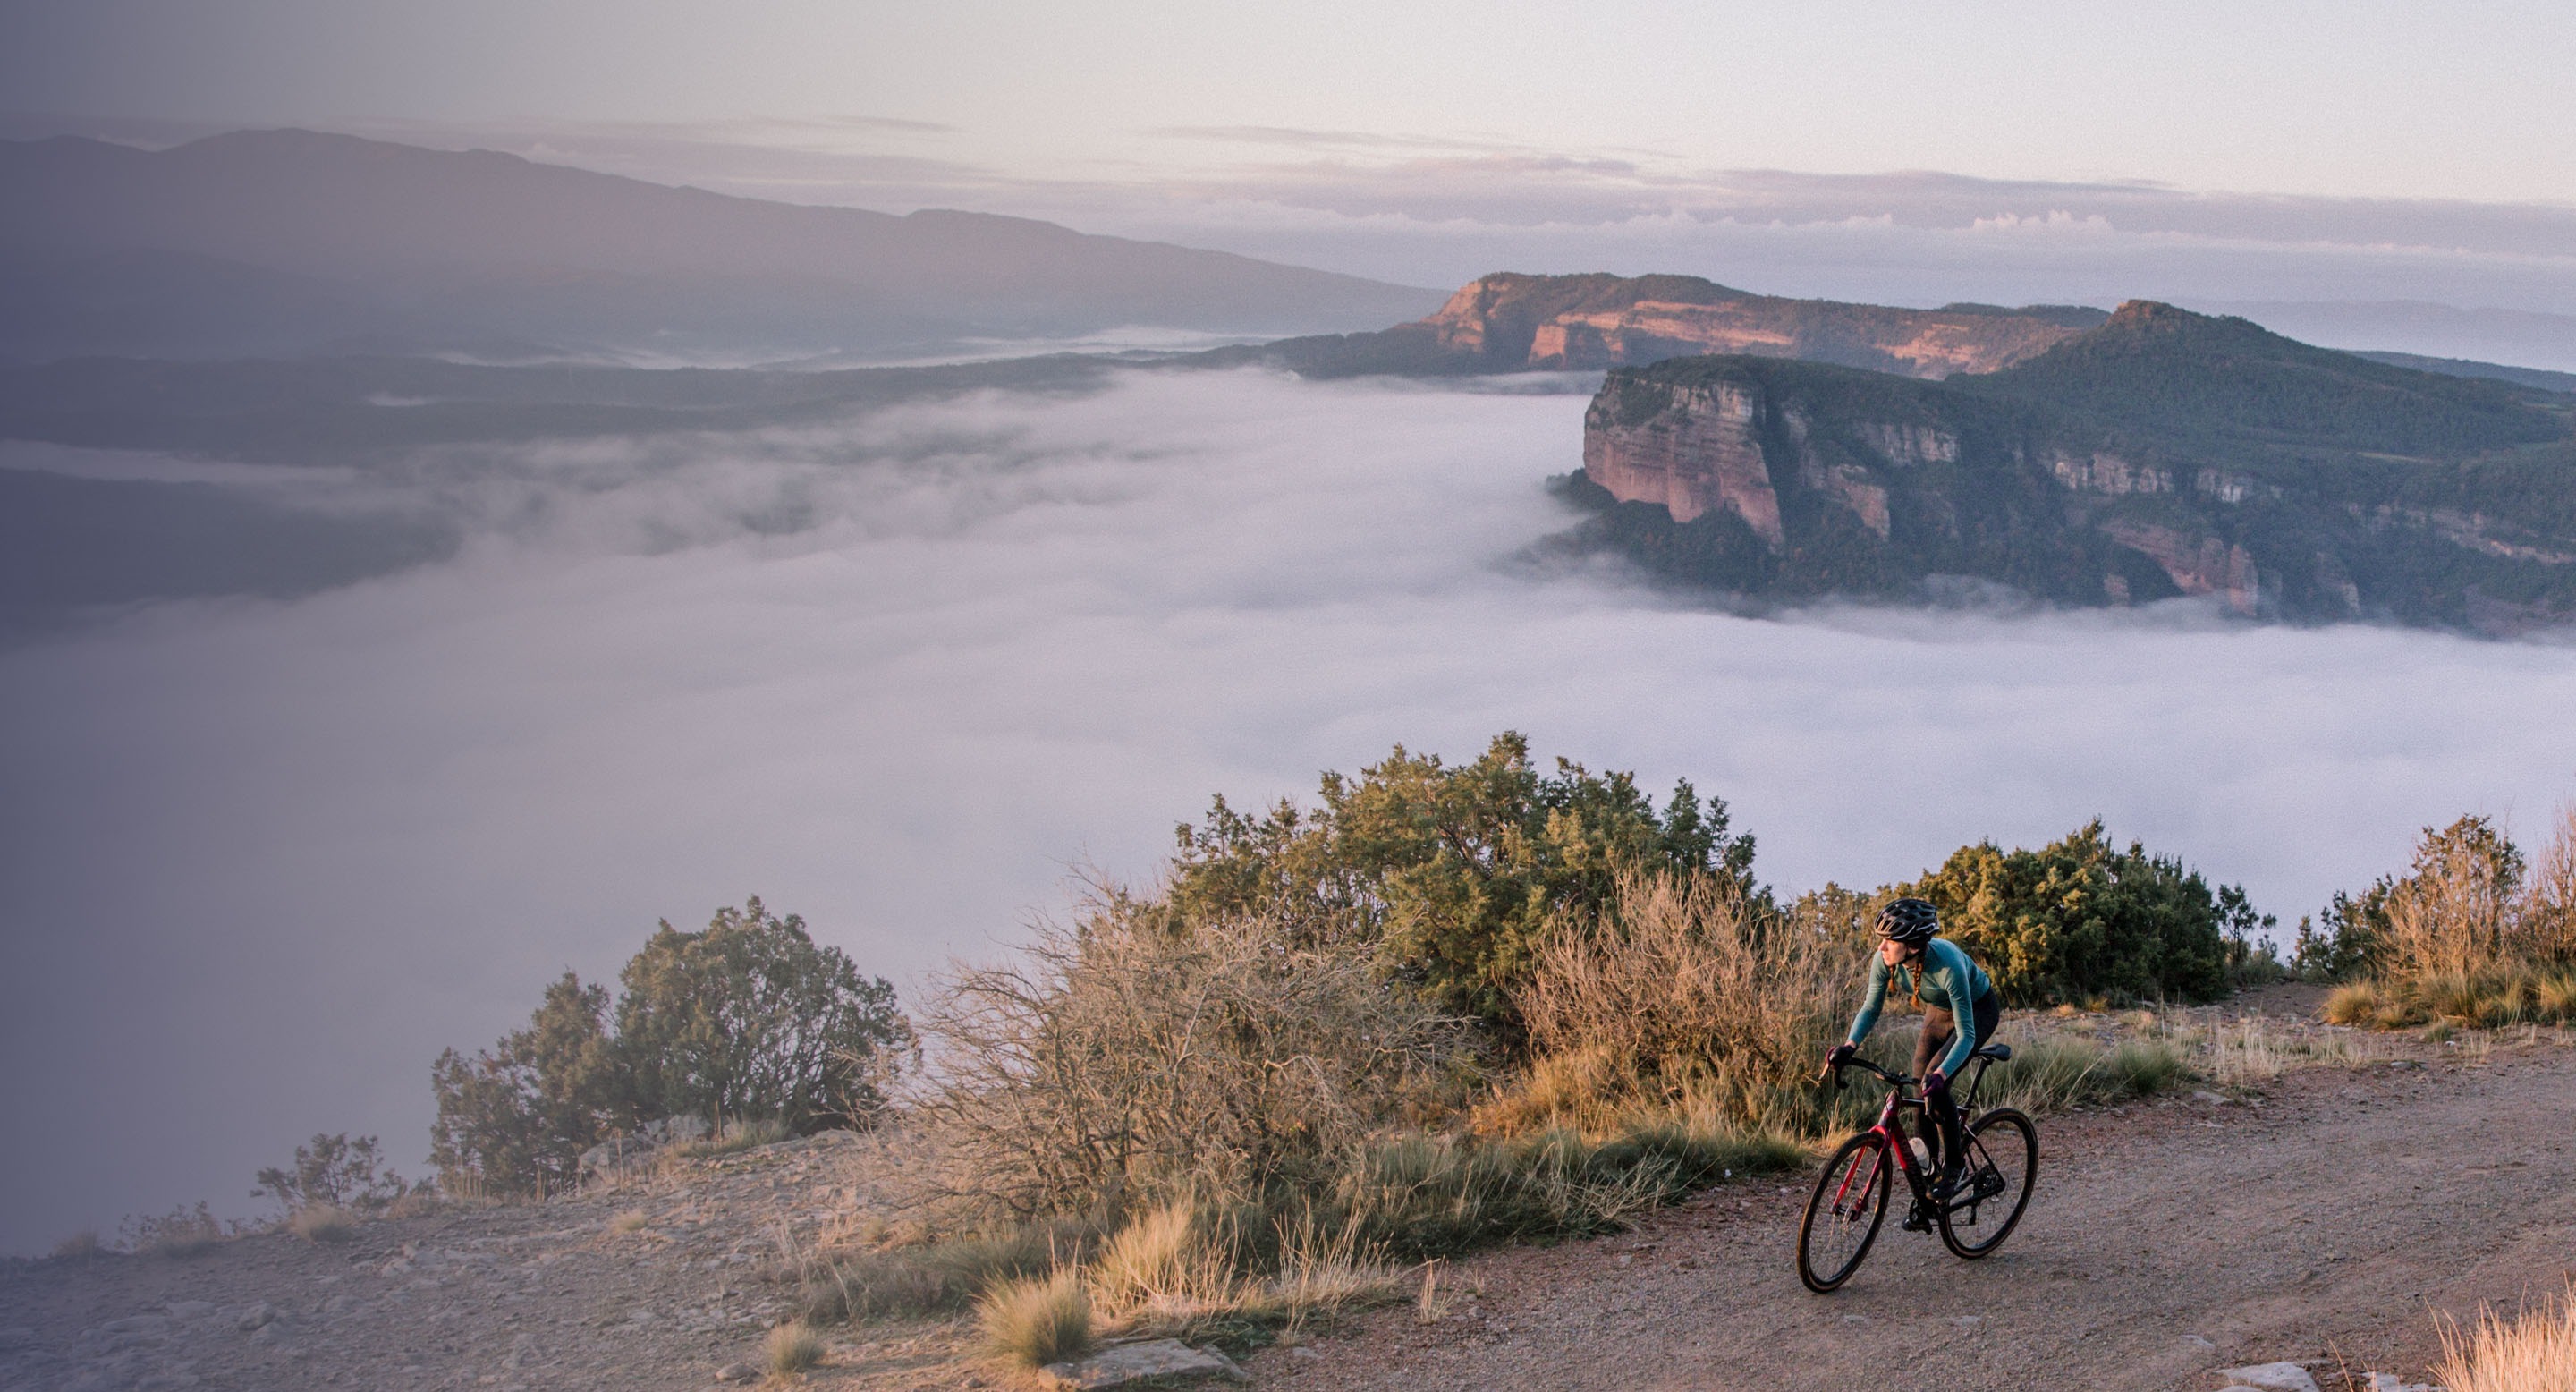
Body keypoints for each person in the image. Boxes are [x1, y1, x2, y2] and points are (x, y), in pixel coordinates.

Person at [1822, 897, 1999, 1199]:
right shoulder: (1886, 960)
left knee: (1934, 1081)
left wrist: (1942, 1074)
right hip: (1939, 1012)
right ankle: (1931, 1174)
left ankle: (1955, 1168)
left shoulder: (1949, 966)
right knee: (1919, 1084)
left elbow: (1967, 1034)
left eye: (1889, 942)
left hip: (1977, 1013)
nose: (1881, 948)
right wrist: (1849, 1045)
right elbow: (1871, 1007)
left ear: (1913, 946)